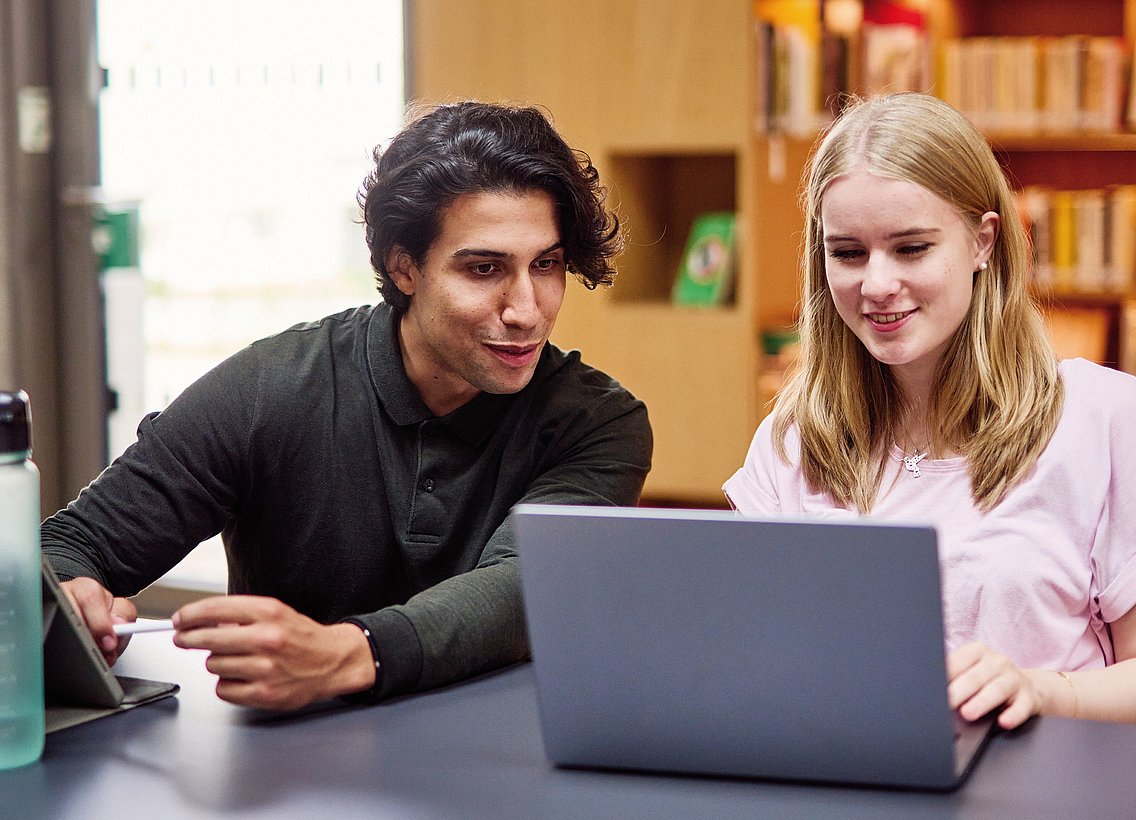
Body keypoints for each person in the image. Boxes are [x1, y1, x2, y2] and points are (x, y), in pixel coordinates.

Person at [41, 101, 653, 710]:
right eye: (484, 269)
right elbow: (71, 544)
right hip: (290, 772)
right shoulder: (271, 388)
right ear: (404, 268)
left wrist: (347, 654)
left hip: (506, 765)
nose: (525, 309)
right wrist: (74, 595)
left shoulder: (600, 423)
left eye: (545, 265)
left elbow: (524, 590)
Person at [724, 92, 1136, 730]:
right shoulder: (794, 437)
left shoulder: (1100, 420)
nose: (877, 285)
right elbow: (751, 651)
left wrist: (1043, 691)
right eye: (848, 253)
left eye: (911, 249)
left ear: (983, 242)